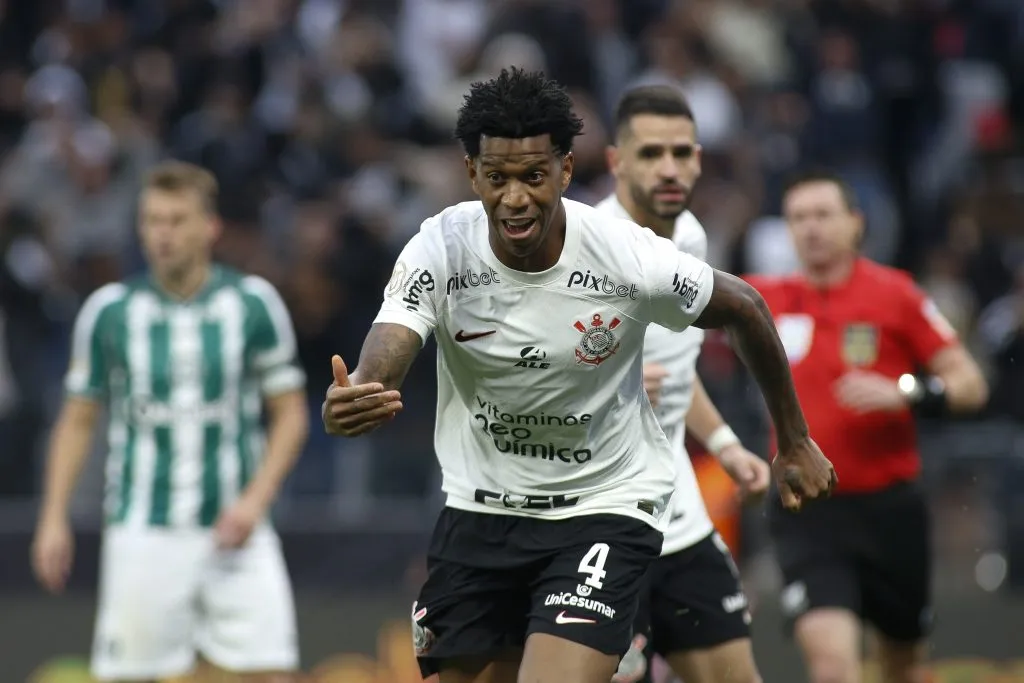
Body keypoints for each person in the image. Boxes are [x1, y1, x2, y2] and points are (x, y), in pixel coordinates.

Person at [322, 67, 836, 683]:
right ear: (472, 174)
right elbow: (393, 338)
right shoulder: (440, 246)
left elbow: (746, 308)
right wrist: (365, 387)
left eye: (534, 177)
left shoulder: (625, 255)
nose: (515, 198)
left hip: (602, 506)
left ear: (565, 171)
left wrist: (794, 438)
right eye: (498, 178)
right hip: (480, 510)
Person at [31, 161, 309, 683]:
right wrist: (53, 517)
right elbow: (76, 422)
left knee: (272, 673)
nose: (163, 233)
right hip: (143, 530)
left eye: (177, 219)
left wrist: (255, 499)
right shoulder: (109, 312)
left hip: (238, 530)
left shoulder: (252, 304)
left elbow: (291, 414)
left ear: (211, 227)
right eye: (153, 220)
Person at [747, 170, 989, 683]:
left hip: (889, 509)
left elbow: (970, 383)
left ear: (855, 224)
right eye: (798, 218)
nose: (811, 228)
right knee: (833, 665)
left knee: (902, 663)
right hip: (806, 508)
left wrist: (907, 390)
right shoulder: (761, 300)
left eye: (823, 215)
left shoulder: (895, 294)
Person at [596, 85, 769, 683]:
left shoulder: (691, 238)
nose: (668, 169)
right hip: (597, 527)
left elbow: (677, 369)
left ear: (699, 158)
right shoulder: (581, 250)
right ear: (616, 161)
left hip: (679, 516)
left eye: (680, 152)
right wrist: (600, 381)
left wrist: (723, 444)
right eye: (649, 154)